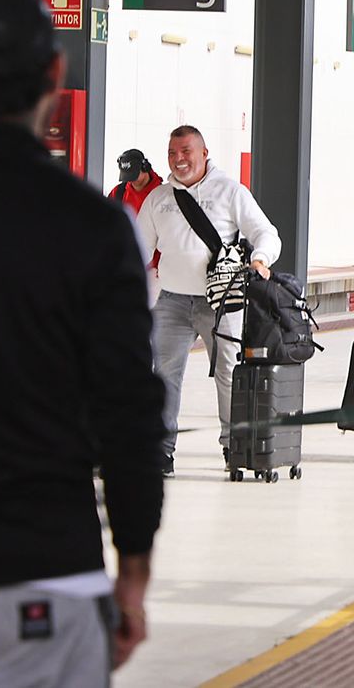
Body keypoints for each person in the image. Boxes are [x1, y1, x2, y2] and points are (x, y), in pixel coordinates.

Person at [0, 0, 164, 681]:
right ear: (54, 76)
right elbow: (129, 411)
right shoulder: (94, 226)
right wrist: (135, 570)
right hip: (48, 574)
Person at [138, 124, 280, 477]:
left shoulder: (230, 191)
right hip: (171, 300)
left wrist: (260, 257)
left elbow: (266, 232)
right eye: (172, 153)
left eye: (186, 151)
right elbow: (135, 246)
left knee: (229, 375)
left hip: (221, 303)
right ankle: (161, 451)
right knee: (164, 376)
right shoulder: (159, 198)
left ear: (204, 153)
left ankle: (235, 447)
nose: (178, 159)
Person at [111, 148, 165, 304]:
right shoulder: (119, 192)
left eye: (134, 175)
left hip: (154, 271)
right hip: (125, 267)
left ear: (145, 168)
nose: (132, 181)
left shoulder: (161, 194)